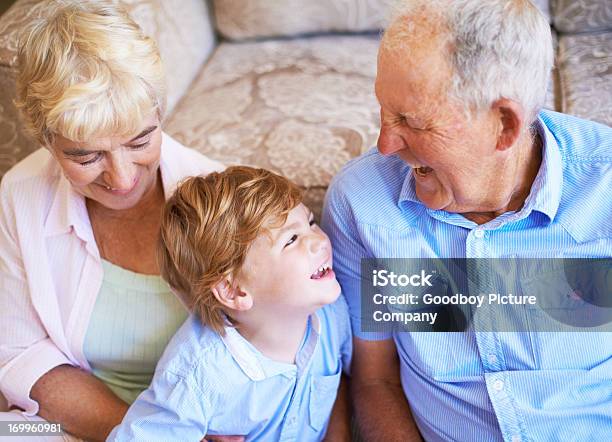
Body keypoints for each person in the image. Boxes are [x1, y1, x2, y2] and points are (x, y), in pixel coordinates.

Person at [321, 0, 612, 441]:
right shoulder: (363, 204)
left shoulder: (604, 188)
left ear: (504, 125)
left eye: (410, 121)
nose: (385, 143)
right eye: (384, 110)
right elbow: (375, 379)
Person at [0, 1, 226, 441]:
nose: (122, 179)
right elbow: (18, 352)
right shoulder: (20, 192)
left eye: (139, 140)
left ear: (159, 115)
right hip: (69, 422)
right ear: (46, 140)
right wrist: (142, 434)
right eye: (85, 155)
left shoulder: (220, 196)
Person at [108, 166, 353, 441]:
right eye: (291, 240)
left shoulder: (334, 312)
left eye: (310, 223)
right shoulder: (197, 374)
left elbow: (343, 382)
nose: (319, 241)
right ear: (234, 290)